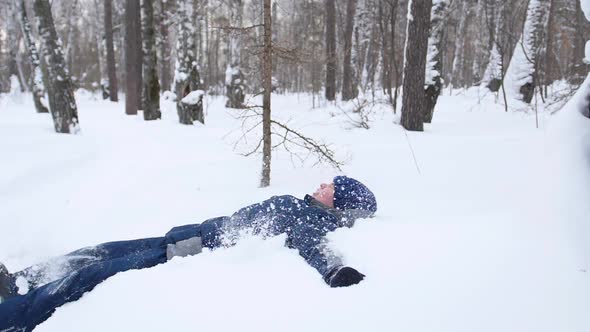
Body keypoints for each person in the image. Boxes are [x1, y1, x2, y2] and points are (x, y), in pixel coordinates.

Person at [0, 176, 377, 331]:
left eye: (332, 186)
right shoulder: (302, 205)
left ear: (337, 203)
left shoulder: (310, 221)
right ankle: (22, 280)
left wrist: (335, 271)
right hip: (187, 234)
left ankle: (14, 315)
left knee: (89, 278)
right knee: (98, 251)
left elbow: (316, 249)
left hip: (188, 254)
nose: (324, 183)